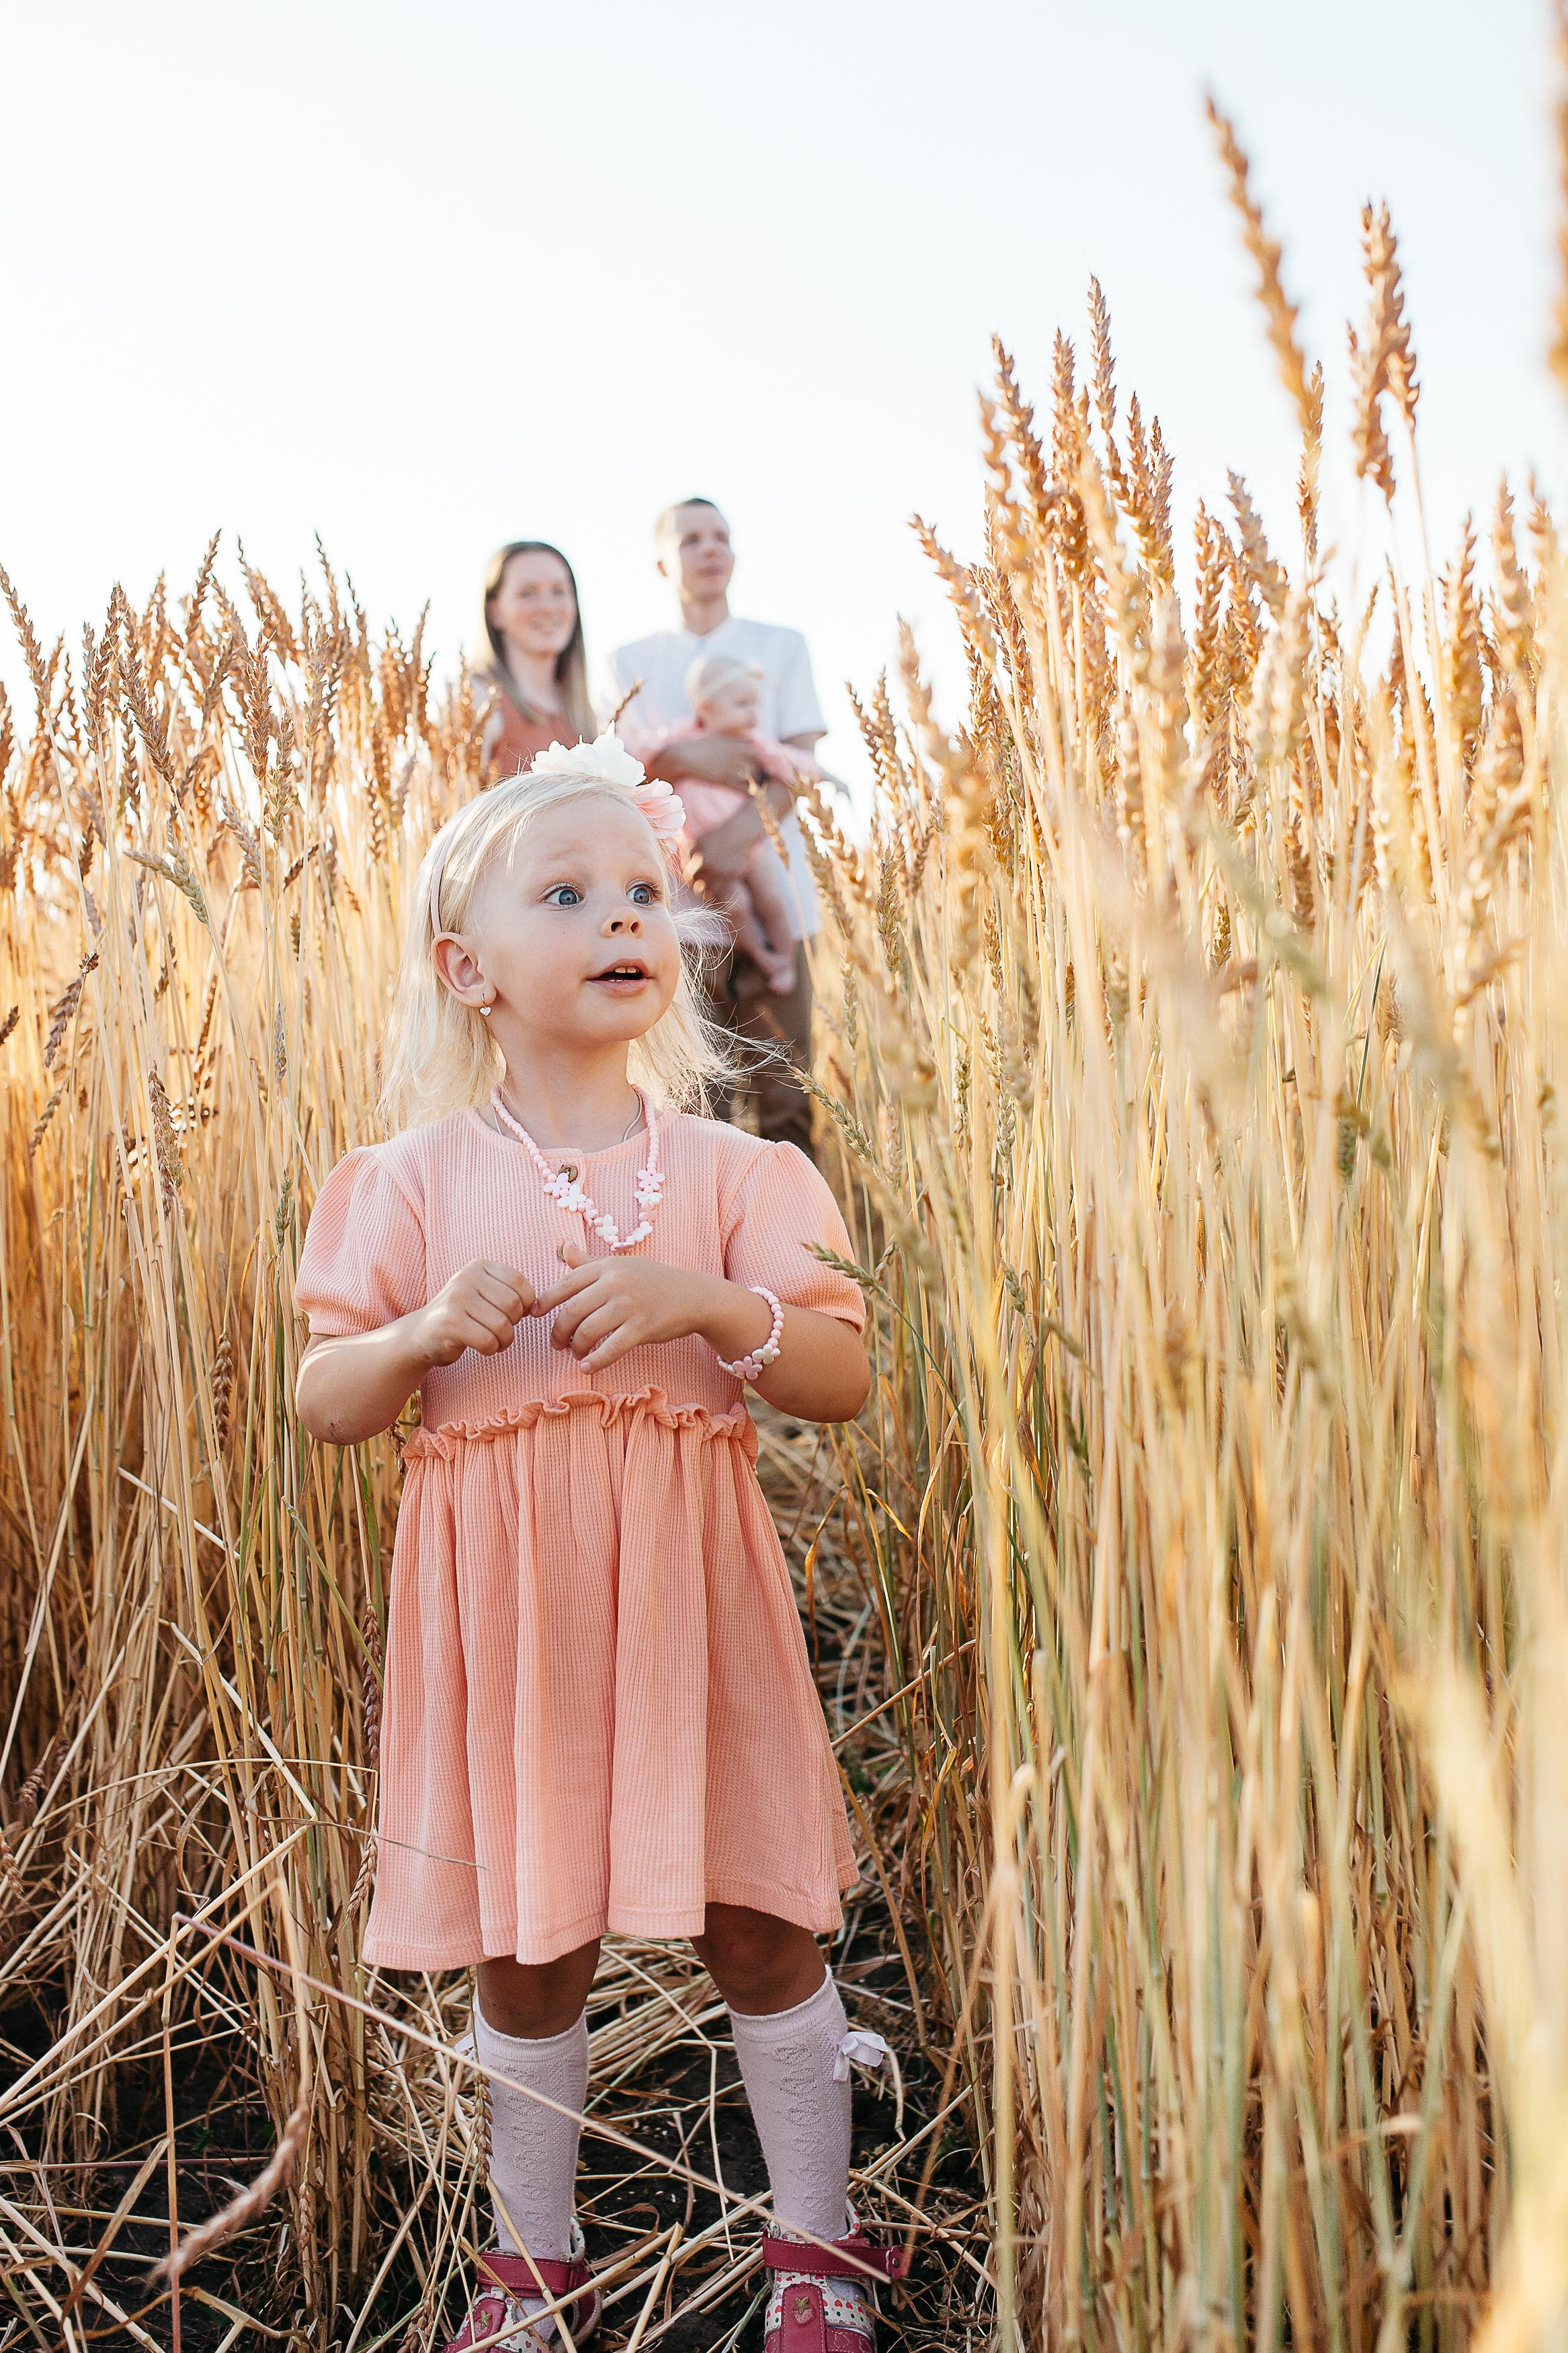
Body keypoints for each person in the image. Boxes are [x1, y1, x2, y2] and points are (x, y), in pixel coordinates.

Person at [292, 733, 907, 2353]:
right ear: (466, 968)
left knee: (758, 1916)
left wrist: (713, 1305)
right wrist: (427, 1329)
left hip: (688, 1608)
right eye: (564, 893)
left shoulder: (732, 1172)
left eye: (643, 888)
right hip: (512, 1622)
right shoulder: (409, 1184)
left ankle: (819, 2246)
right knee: (530, 1935)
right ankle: (530, 2261)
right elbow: (325, 1399)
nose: (619, 916)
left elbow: (839, 1373)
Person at [608, 500, 827, 1161]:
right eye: (692, 539)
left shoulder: (780, 645)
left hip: (772, 885)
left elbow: (801, 761)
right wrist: (678, 759)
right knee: (696, 1103)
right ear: (661, 562)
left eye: (721, 538)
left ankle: (796, 1261)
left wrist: (735, 835)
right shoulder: (630, 660)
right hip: (679, 906)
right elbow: (619, 768)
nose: (710, 550)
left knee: (785, 1094)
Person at [665, 649, 825, 997]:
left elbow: (794, 763)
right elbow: (650, 753)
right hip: (699, 850)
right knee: (736, 909)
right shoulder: (681, 741)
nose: (755, 714)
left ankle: (785, 957)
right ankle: (764, 958)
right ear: (706, 708)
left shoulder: (754, 745)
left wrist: (826, 776)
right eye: (743, 704)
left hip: (750, 844)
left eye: (757, 704)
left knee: (771, 898)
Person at [472, 542, 595, 779]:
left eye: (558, 591)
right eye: (527, 593)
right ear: (495, 612)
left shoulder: (584, 715)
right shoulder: (480, 700)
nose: (547, 607)